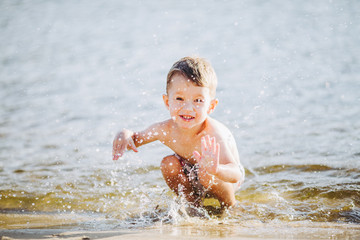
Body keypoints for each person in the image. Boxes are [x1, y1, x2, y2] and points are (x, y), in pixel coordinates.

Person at [112, 56, 244, 208]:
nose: (188, 108)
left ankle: (230, 207)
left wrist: (216, 169)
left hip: (223, 176)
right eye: (180, 98)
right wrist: (124, 134)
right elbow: (134, 141)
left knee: (205, 173)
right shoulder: (165, 129)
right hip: (192, 173)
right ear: (168, 102)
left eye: (198, 100)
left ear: (211, 106)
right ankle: (192, 206)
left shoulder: (213, 134)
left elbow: (236, 174)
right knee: (168, 163)